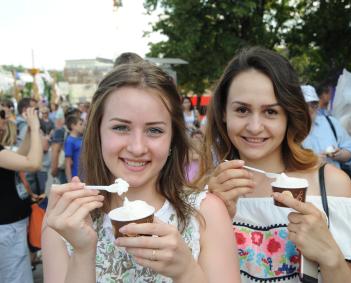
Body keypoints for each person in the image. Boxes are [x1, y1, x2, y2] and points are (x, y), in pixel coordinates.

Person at [42, 62, 239, 282]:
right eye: (121, 127)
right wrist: (82, 252)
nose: (137, 148)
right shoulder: (65, 219)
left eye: (154, 130)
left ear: (172, 138)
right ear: (97, 132)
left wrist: (186, 272)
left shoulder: (207, 212)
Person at [199, 47, 351, 282]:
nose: (254, 126)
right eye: (242, 110)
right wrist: (210, 215)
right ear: (223, 113)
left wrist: (329, 255)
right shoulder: (205, 191)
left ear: (289, 115)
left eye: (270, 112)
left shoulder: (331, 185)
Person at [0, 107, 42, 283]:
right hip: (7, 229)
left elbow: (18, 158)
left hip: (11, 227)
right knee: (16, 277)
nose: (5, 120)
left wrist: (30, 132)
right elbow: (33, 163)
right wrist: (35, 127)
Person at [301, 85, 351, 169]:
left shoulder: (331, 122)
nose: (310, 109)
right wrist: (310, 161)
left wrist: (339, 154)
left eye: (313, 104)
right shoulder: (288, 129)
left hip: (334, 180)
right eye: (304, 105)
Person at [64, 115, 84, 182]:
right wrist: (69, 180)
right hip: (77, 176)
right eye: (80, 124)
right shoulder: (70, 141)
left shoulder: (81, 138)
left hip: (85, 174)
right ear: (73, 126)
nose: (83, 126)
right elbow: (68, 162)